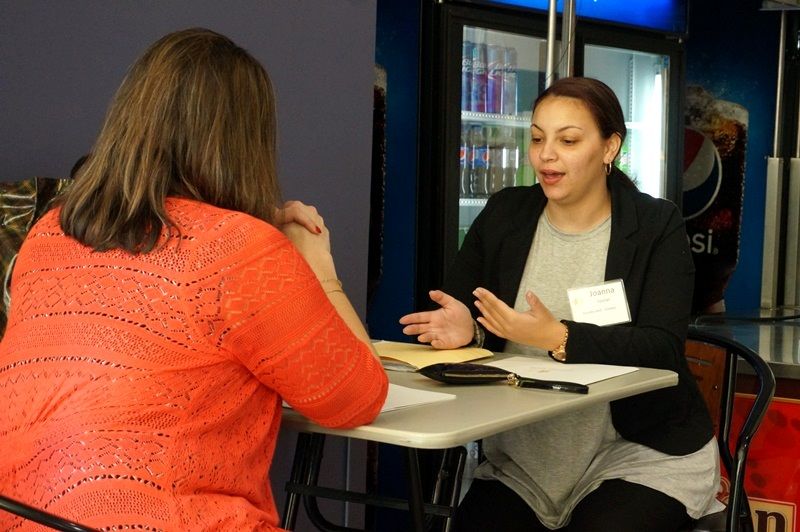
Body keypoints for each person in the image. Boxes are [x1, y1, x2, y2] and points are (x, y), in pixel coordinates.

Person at [0, 28, 387, 531]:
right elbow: (356, 399)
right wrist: (319, 267)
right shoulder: (241, 250)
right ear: (245, 141)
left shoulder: (49, 234)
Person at [400, 77, 721, 531]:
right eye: (537, 138)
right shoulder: (505, 214)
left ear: (610, 147)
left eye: (567, 140)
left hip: (640, 452)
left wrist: (558, 337)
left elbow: (661, 348)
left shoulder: (655, 224)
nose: (546, 155)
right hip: (524, 460)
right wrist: (467, 332)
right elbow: (466, 314)